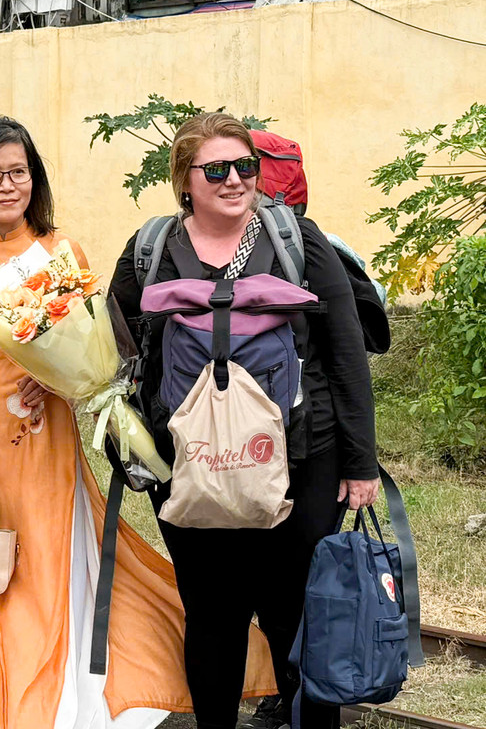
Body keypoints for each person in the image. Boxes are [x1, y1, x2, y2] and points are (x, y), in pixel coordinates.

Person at [0, 116, 272, 728]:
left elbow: (100, 338)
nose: (5, 185)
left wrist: (56, 375)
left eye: (17, 172)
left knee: (51, 569)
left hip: (49, 448)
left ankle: (52, 697)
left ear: (34, 178)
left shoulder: (60, 251)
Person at [109, 112, 380, 729]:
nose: (235, 180)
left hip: (301, 459)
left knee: (294, 614)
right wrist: (122, 436)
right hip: (189, 464)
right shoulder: (150, 249)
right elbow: (114, 351)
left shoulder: (296, 240)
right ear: (185, 180)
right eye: (217, 169)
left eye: (246, 167)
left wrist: (360, 462)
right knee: (212, 613)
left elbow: (344, 352)